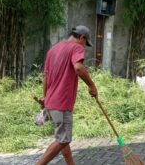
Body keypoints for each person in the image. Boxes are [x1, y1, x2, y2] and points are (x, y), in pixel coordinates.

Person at [36, 25, 98, 165]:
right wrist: (91, 85)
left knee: (62, 138)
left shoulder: (53, 50)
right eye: (85, 42)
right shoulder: (76, 48)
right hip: (61, 103)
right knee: (64, 139)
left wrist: (46, 97)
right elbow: (78, 67)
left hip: (51, 102)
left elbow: (46, 77)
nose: (84, 46)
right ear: (82, 38)